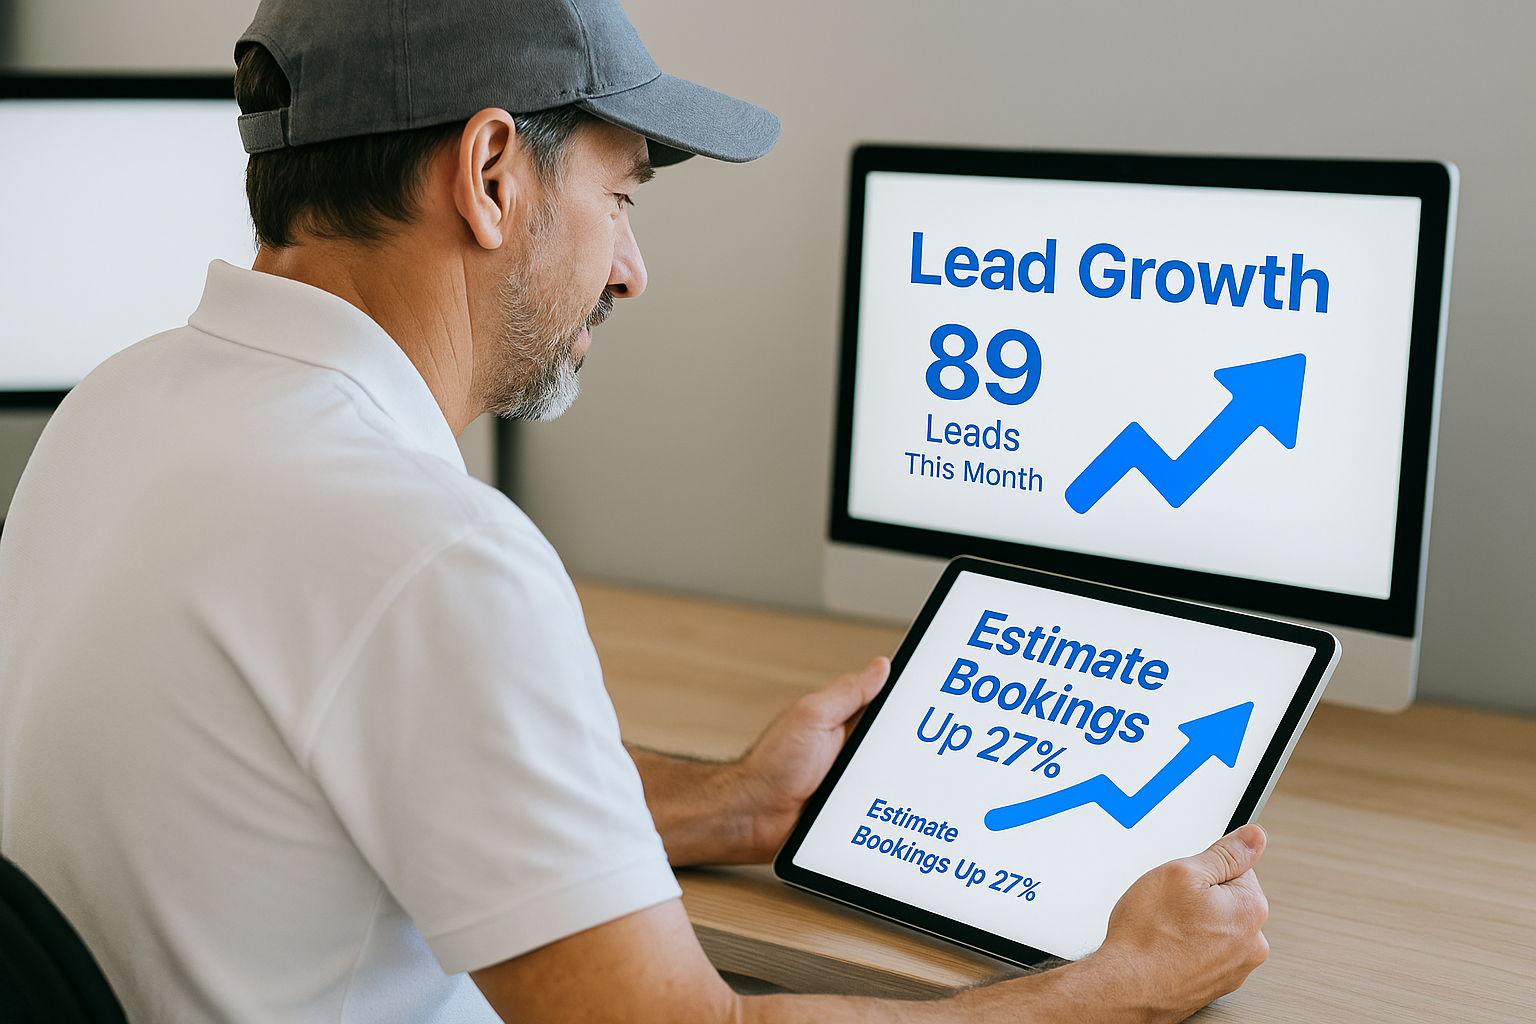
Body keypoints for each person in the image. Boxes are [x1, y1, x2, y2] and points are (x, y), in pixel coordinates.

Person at [0, 1, 1269, 1021]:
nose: (631, 269)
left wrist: (736, 805)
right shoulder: (430, 555)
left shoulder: (119, 408)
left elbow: (368, 780)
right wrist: (1113, 988)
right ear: (491, 174)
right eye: (622, 199)